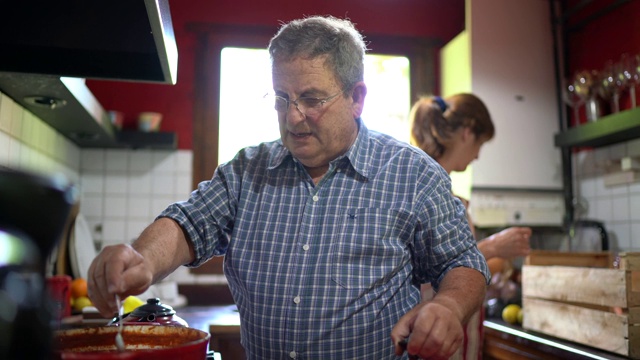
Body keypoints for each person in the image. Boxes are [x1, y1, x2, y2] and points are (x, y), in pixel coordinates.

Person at [88, 16, 490, 359]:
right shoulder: (248, 169)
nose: (294, 117)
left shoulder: (413, 174)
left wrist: (450, 305)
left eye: (312, 99)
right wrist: (141, 259)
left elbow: (464, 263)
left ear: (357, 98)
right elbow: (187, 224)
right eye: (282, 98)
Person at [409, 94, 532, 360]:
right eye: (480, 144)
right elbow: (424, 275)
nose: (477, 156)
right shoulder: (422, 194)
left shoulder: (452, 199)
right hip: (436, 340)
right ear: (467, 133)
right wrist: (493, 247)